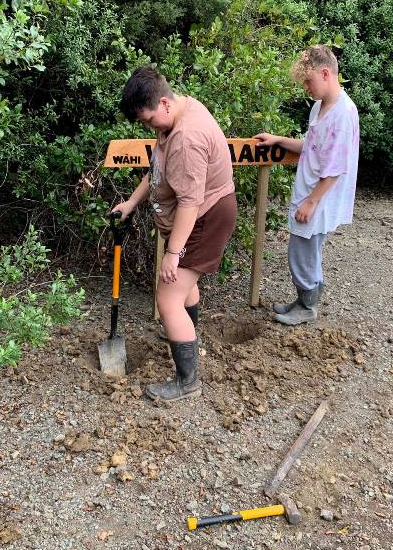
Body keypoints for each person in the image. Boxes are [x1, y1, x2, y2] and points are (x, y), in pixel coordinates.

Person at [112, 66, 237, 402]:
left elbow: (190, 202)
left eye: (149, 120)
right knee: (184, 287)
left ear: (164, 103)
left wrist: (173, 253)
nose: (149, 127)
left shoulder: (186, 138)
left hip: (205, 217)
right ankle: (186, 334)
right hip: (197, 215)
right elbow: (157, 171)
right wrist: (131, 202)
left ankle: (187, 381)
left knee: (168, 297)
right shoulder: (180, 112)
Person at [255, 45, 359, 325]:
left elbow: (336, 168)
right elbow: (311, 146)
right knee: (306, 252)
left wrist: (312, 201)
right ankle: (303, 300)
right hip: (311, 193)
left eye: (308, 81)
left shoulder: (342, 113)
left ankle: (307, 306)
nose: (306, 88)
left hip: (319, 198)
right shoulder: (320, 107)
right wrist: (279, 140)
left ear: (325, 73)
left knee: (301, 253)